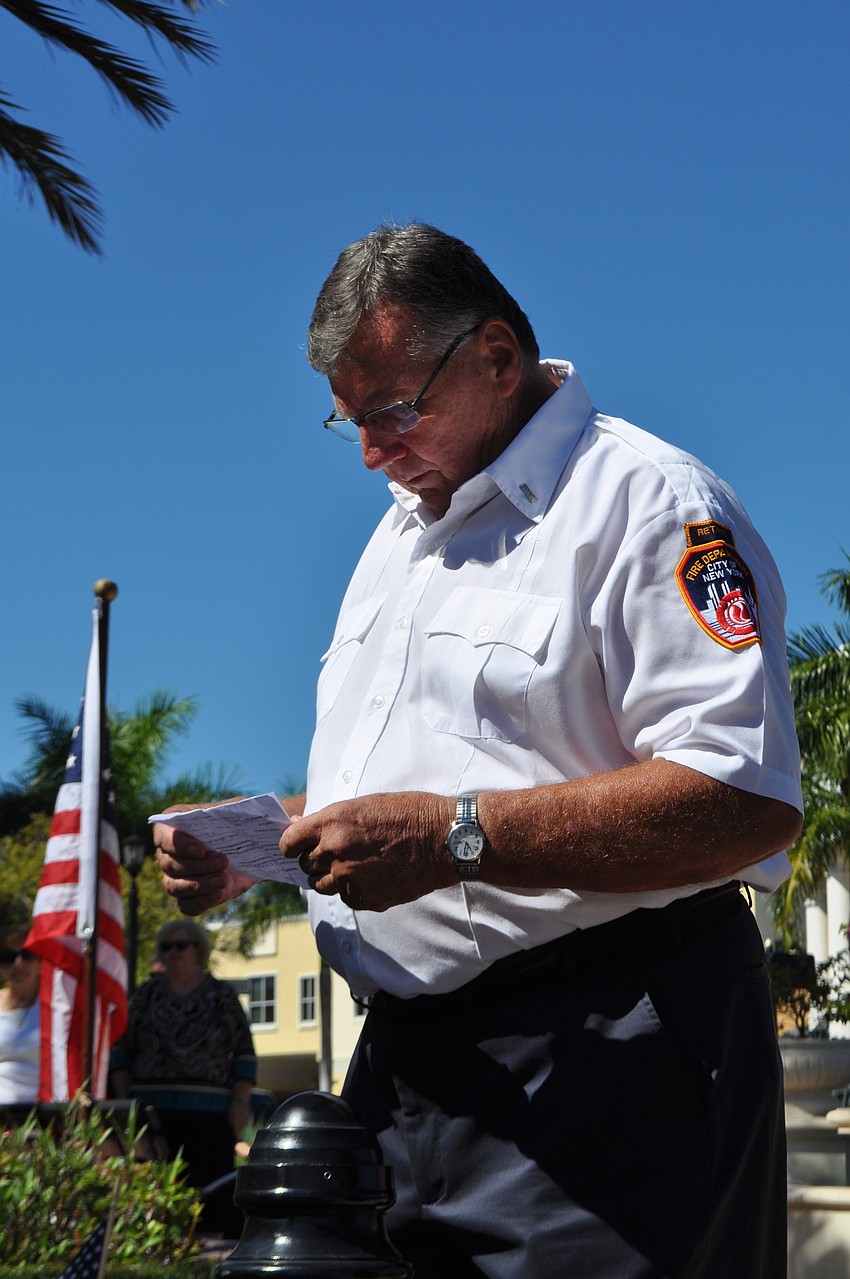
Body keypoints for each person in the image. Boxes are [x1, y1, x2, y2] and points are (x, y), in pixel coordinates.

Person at [155, 224, 803, 1278]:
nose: (371, 452)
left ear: (497, 357)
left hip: (609, 1057)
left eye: (393, 412)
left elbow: (744, 795)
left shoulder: (648, 503)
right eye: (347, 421)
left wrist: (459, 838)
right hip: (406, 1076)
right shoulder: (401, 536)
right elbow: (440, 770)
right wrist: (267, 849)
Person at [110, 919, 256, 1238]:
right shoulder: (144, 996)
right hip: (153, 1114)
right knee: (156, 1191)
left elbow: (244, 1053)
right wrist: (127, 1103)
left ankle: (207, 1259)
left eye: (181, 945)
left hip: (210, 1115)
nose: (173, 953)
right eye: (166, 947)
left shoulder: (221, 996)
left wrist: (241, 1102)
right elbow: (120, 1051)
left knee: (209, 1194)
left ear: (198, 951)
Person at [0, 925, 41, 1104]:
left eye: (27, 955)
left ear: (40, 962)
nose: (18, 964)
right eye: (8, 957)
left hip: (48, 1119)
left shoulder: (57, 1009)